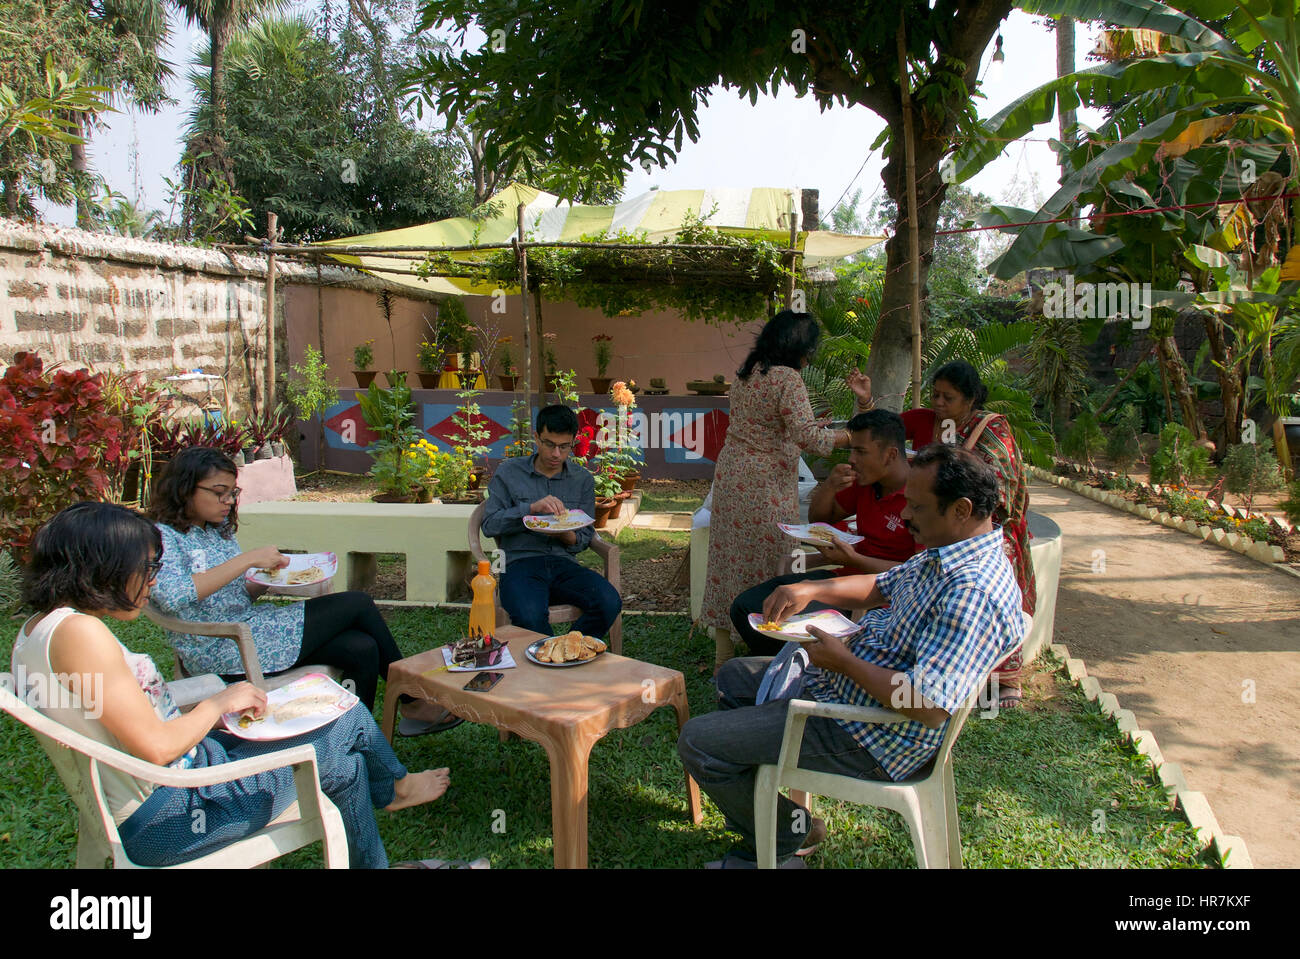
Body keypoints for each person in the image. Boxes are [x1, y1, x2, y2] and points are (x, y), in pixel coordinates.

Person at [11, 501, 453, 869]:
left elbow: (132, 724)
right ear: (101, 567)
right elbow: (156, 748)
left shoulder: (38, 631)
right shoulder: (79, 635)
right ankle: (394, 788)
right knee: (347, 717)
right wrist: (219, 699)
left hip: (180, 781)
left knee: (345, 761)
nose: (153, 579)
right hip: (177, 814)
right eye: (147, 566)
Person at [678, 445, 1025, 868]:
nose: (908, 516)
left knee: (699, 741)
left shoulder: (972, 593)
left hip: (870, 734)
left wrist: (844, 662)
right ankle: (777, 818)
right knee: (733, 677)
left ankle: (782, 838)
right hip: (847, 691)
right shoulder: (948, 550)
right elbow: (882, 586)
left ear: (960, 509)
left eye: (916, 507)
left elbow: (929, 706)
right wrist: (810, 589)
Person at [147, 447, 454, 734]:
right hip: (223, 647)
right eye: (218, 492)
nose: (228, 501)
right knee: (358, 603)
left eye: (232, 492)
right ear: (184, 489)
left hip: (254, 628)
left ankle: (356, 737)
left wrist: (263, 579)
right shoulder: (163, 537)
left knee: (361, 647)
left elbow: (233, 593)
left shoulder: (216, 530)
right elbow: (173, 596)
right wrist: (248, 559)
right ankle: (412, 703)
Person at [851, 360, 1036, 707]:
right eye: (935, 394)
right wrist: (864, 402)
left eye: (947, 398)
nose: (938, 403)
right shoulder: (926, 421)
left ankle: (1004, 679)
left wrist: (961, 500)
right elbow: (883, 432)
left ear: (969, 400)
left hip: (981, 527)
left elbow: (1003, 485)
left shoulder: (992, 430)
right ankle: (939, 662)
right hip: (939, 527)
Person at [700, 310, 852, 666]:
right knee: (773, 561)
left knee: (728, 560)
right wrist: (851, 435)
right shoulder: (788, 378)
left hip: (733, 474)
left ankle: (724, 651)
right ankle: (766, 648)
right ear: (801, 347)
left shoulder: (749, 372)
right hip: (765, 483)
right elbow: (807, 436)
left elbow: (771, 423)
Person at [728, 409, 922, 656]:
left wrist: (854, 560)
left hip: (881, 599)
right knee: (746, 608)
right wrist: (830, 486)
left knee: (778, 616)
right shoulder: (867, 482)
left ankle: (796, 669)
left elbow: (916, 574)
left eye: (861, 452)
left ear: (891, 454)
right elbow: (820, 520)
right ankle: (779, 667)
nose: (852, 459)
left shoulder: (921, 496)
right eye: (851, 450)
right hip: (843, 579)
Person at [481, 404, 622, 638]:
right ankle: (548, 663)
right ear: (536, 438)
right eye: (550, 444)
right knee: (529, 616)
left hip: (563, 565)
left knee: (608, 601)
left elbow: (585, 536)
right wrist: (530, 509)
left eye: (564, 446)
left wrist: (565, 534)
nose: (556, 454)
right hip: (519, 564)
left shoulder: (582, 479)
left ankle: (567, 650)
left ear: (573, 443)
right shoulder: (509, 472)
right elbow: (489, 525)